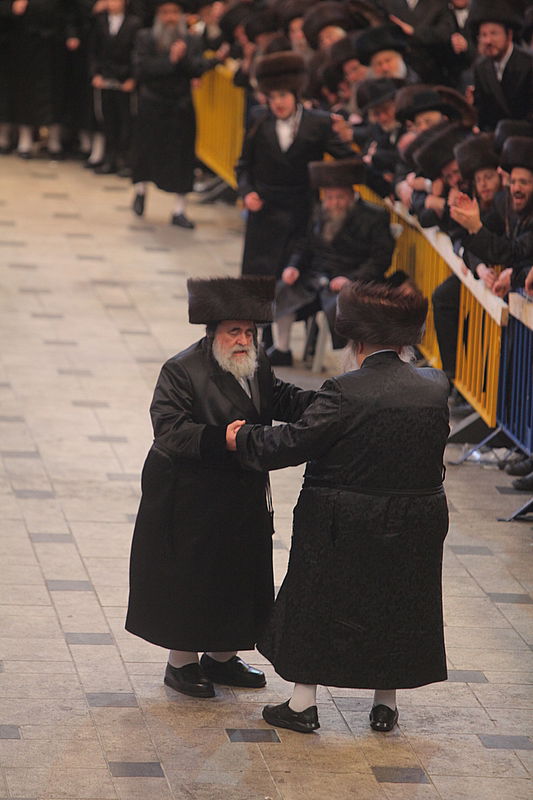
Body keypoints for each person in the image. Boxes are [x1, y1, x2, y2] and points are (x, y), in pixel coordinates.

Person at [226, 280, 450, 734]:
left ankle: (302, 704)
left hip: (341, 520)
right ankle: (385, 705)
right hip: (417, 520)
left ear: (358, 341)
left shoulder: (345, 390)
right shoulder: (434, 385)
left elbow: (293, 442)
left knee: (315, 604)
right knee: (397, 603)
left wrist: (241, 438)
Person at [125, 276, 316, 699]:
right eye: (234, 331)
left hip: (240, 488)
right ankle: (182, 663)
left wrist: (321, 403)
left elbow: (275, 396)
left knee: (235, 573)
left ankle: (222, 658)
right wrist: (221, 439)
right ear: (213, 333)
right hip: (189, 492)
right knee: (191, 577)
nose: (243, 339)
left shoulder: (255, 360)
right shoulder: (181, 369)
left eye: (249, 331)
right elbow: (169, 429)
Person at [236, 50, 354, 279]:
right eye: (271, 97)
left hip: (301, 211)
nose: (277, 103)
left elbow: (348, 159)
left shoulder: (318, 122)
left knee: (293, 279)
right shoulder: (258, 119)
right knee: (256, 282)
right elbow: (243, 165)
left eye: (282, 95)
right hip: (263, 212)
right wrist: (247, 192)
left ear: (295, 94)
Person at [269, 158, 396, 365]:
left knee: (343, 308)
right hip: (316, 276)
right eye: (329, 197)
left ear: (352, 194)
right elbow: (304, 245)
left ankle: (350, 365)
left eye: (339, 197)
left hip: (353, 279)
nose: (333, 203)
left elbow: (381, 258)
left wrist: (351, 279)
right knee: (282, 291)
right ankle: (283, 349)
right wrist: (293, 266)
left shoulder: (375, 215)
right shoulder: (320, 210)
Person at [130, 0, 220, 228]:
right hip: (152, 104)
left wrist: (184, 59)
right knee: (145, 153)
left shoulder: (191, 39)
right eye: (165, 13)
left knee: (182, 158)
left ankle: (179, 209)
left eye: (174, 13)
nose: (170, 18)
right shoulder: (145, 37)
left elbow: (197, 68)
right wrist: (170, 60)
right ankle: (140, 191)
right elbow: (142, 69)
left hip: (180, 106)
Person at [450, 134, 533, 294]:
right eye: (513, 181)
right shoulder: (506, 206)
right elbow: (470, 248)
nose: (516, 188)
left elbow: (514, 252)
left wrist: (514, 276)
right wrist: (481, 268)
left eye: (524, 182)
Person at [89, 0, 142, 176]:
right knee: (107, 119)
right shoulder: (100, 21)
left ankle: (126, 160)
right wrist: (95, 74)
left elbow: (137, 53)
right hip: (105, 78)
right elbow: (94, 50)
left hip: (124, 79)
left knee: (126, 121)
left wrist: (133, 78)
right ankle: (109, 158)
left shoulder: (134, 23)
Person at [469, 0, 533, 131]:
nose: (488, 41)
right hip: (492, 135)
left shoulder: (529, 64)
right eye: (483, 35)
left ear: (509, 35)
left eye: (494, 33)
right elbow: (483, 113)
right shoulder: (481, 67)